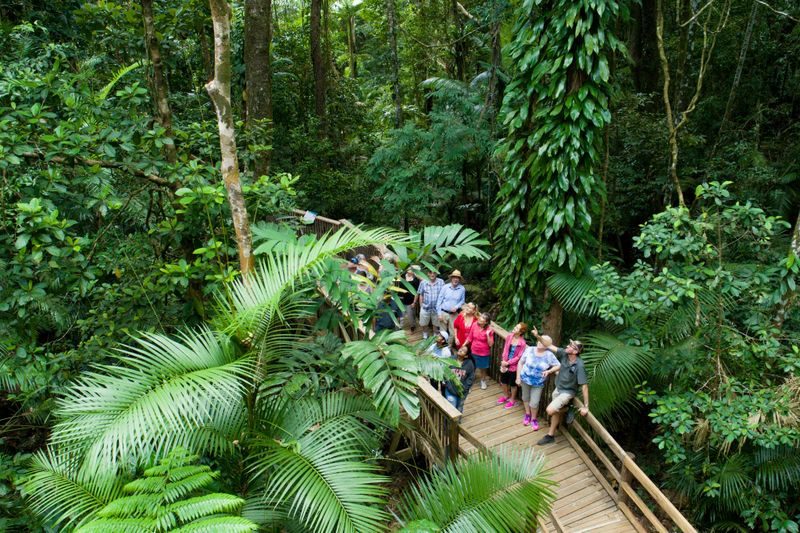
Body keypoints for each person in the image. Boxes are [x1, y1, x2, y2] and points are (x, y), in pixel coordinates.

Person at [531, 329, 589, 445]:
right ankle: (550, 435)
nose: (568, 346)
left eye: (571, 346)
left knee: (550, 410)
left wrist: (586, 406)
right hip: (558, 388)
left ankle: (569, 409)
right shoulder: (564, 354)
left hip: (568, 392)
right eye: (570, 344)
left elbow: (584, 386)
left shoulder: (579, 365)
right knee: (556, 412)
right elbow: (549, 345)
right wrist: (538, 336)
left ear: (576, 352)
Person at [516, 335, 560, 431]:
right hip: (525, 379)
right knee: (525, 397)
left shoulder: (549, 355)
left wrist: (549, 371)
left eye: (543, 341)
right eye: (539, 340)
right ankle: (527, 414)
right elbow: (520, 363)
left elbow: (558, 365)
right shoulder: (529, 349)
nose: (540, 342)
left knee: (534, 402)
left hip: (538, 383)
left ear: (547, 345)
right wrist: (518, 377)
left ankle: (534, 419)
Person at [498, 322, 527, 409]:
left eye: (517, 328)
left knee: (513, 385)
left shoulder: (522, 343)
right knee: (503, 381)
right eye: (515, 326)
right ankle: (506, 395)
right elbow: (505, 349)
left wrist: (508, 363)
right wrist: (503, 361)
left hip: (514, 367)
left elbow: (519, 357)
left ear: (521, 332)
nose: (514, 328)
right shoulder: (509, 336)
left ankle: (512, 399)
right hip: (505, 362)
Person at [463, 312, 494, 390]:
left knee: (483, 368)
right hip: (474, 350)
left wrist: (487, 335)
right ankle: (469, 381)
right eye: (481, 316)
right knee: (472, 367)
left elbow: (490, 344)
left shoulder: (489, 330)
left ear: (486, 322)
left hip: (484, 353)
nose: (480, 318)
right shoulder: (474, 325)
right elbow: (470, 337)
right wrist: (463, 345)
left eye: (483, 318)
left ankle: (483, 380)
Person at [436, 270, 466, 342]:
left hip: (454, 314)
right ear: (451, 278)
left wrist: (456, 307)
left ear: (459, 279)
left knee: (453, 333)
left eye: (457, 278)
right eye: (454, 277)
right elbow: (439, 301)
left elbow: (462, 301)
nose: (455, 279)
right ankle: (441, 349)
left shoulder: (462, 289)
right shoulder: (445, 287)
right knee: (443, 333)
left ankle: (448, 348)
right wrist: (439, 314)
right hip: (443, 313)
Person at [444, 346, 475, 412]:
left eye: (463, 351)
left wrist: (465, 388)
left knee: (459, 407)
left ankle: (458, 421)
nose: (460, 350)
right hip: (450, 390)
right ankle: (448, 422)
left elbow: (471, 378)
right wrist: (448, 385)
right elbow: (445, 372)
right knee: (451, 407)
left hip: (462, 391)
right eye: (461, 348)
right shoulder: (451, 359)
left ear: (466, 356)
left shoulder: (469, 364)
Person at [418, 270, 444, 339]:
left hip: (436, 308)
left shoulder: (441, 282)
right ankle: (425, 334)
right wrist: (421, 305)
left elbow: (443, 294)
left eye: (434, 273)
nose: (432, 274)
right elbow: (421, 294)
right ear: (428, 273)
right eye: (430, 273)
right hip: (425, 307)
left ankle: (435, 334)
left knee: (436, 323)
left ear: (436, 274)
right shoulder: (423, 282)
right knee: (424, 323)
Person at [400, 267, 420, 332]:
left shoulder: (415, 279)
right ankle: (399, 327)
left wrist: (414, 302)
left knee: (411, 315)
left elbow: (417, 292)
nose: (410, 270)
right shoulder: (401, 276)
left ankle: (412, 326)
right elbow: (396, 285)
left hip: (410, 301)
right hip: (401, 300)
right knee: (401, 315)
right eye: (409, 268)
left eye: (412, 269)